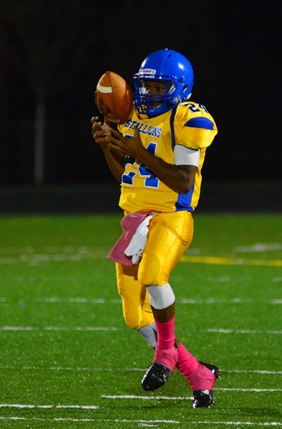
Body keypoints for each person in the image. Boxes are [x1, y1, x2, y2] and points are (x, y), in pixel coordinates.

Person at [91, 49, 219, 408]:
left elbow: (182, 180)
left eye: (159, 85)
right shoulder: (134, 119)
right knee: (134, 314)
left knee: (153, 274)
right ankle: (197, 372)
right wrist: (109, 146)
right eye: (144, 86)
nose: (148, 94)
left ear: (180, 88)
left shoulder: (185, 118)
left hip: (171, 216)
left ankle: (165, 354)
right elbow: (129, 178)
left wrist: (136, 149)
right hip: (135, 221)